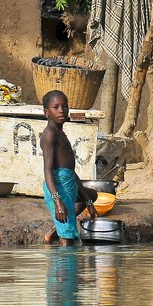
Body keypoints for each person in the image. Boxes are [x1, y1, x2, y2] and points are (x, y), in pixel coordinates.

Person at [40, 90, 98, 246]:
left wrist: (88, 203)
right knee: (68, 239)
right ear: (47, 112)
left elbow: (70, 172)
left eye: (64, 106)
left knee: (91, 195)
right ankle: (65, 265)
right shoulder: (50, 135)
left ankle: (54, 231)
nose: (61, 111)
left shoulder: (60, 133)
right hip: (58, 188)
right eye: (56, 107)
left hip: (68, 183)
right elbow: (48, 170)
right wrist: (58, 201)